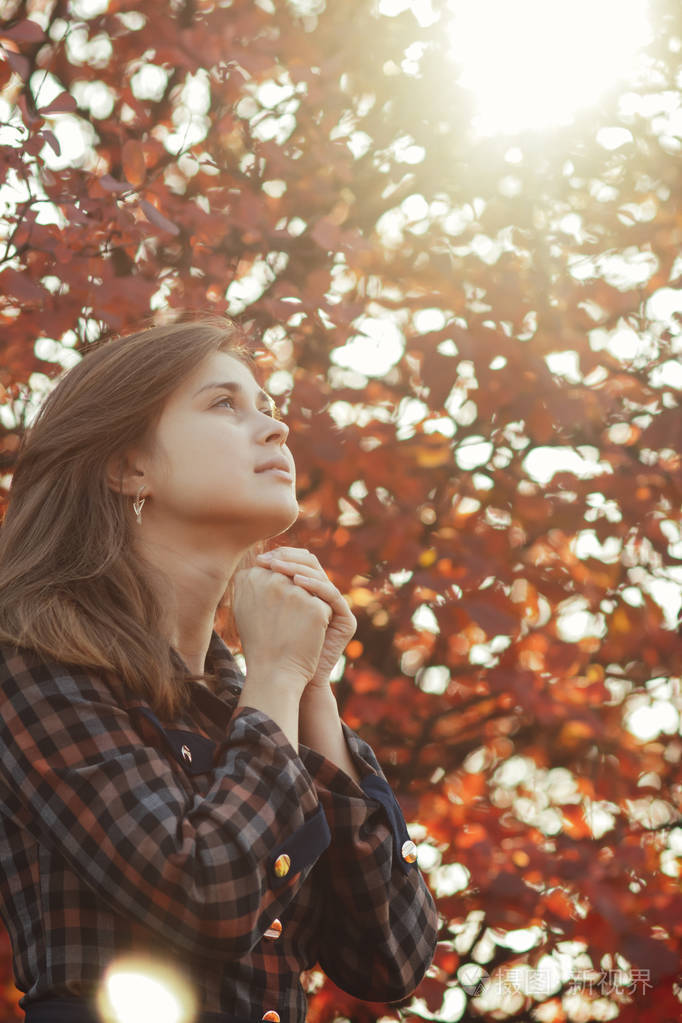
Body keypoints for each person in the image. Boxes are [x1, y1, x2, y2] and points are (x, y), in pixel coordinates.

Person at [0, 314, 439, 1023]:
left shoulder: (252, 695)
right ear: (127, 465)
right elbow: (203, 892)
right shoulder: (29, 659)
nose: (275, 428)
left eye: (268, 407)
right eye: (225, 404)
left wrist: (311, 688)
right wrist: (275, 679)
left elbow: (390, 957)